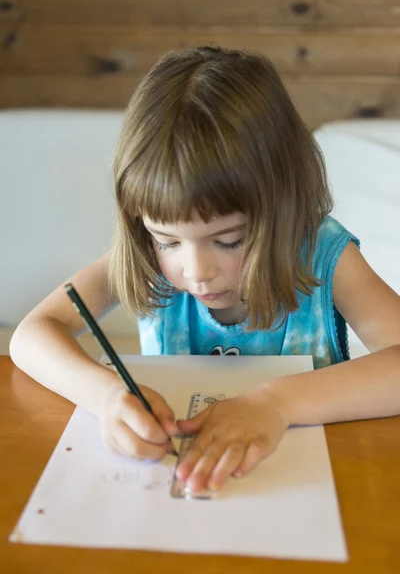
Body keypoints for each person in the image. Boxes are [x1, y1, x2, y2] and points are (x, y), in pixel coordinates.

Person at [10, 46, 400, 494]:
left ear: (284, 209)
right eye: (167, 240)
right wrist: (107, 396)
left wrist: (278, 402)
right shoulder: (144, 258)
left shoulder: (320, 252)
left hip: (306, 486)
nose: (195, 272)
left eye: (229, 240)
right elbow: (33, 334)